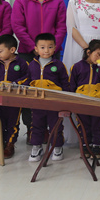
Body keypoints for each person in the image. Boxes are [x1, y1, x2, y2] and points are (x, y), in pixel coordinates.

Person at [11, 0, 67, 143]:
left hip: (51, 53)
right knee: (29, 90)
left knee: (51, 89)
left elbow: (61, 27)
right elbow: (18, 27)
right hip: (28, 53)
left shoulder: (57, 2)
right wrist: (33, 47)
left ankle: (52, 128)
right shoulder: (21, 1)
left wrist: (52, 48)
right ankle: (31, 128)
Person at [27, 33, 70, 162]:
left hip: (54, 103)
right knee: (36, 125)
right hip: (37, 103)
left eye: (50, 47)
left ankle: (57, 147)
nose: (46, 50)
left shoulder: (59, 65)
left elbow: (65, 83)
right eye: (42, 47)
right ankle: (37, 147)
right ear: (36, 49)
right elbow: (27, 81)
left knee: (55, 126)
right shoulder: (32, 65)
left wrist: (66, 100)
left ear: (55, 48)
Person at [0, 34, 28, 160]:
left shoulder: (22, 63)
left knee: (12, 123)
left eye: (0, 51)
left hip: (14, 100)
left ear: (12, 49)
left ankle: (10, 145)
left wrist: (15, 84)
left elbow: (28, 78)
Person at [69, 39, 100, 158]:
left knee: (99, 125)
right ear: (88, 52)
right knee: (83, 125)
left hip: (99, 102)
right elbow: (72, 85)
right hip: (81, 102)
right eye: (98, 54)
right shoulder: (77, 66)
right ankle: (86, 146)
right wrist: (71, 101)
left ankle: (98, 146)